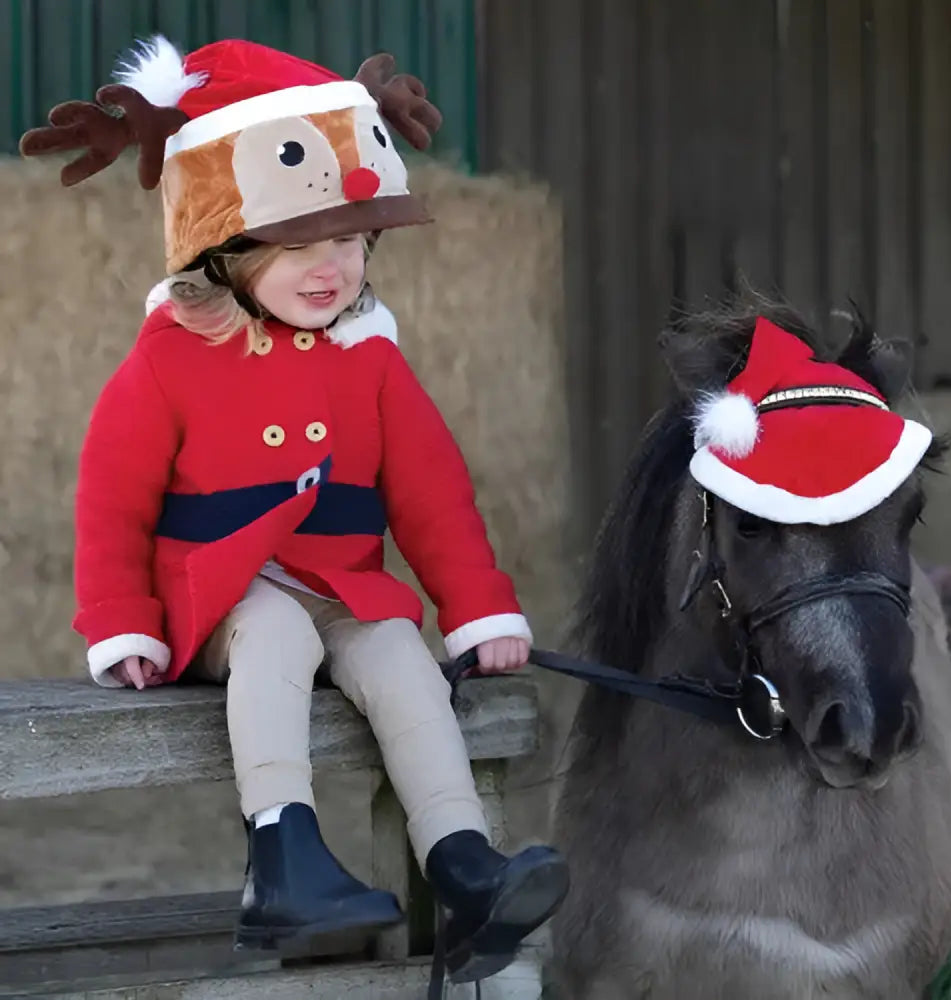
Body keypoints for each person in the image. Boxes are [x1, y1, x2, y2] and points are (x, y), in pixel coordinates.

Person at [20, 34, 568, 985]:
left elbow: (434, 497)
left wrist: (475, 608)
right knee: (274, 631)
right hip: (220, 594)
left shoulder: (374, 361)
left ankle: (463, 861)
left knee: (399, 654)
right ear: (222, 247)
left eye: (352, 240)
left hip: (342, 584)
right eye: (300, 243)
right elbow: (110, 500)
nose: (333, 266)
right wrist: (121, 625)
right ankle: (283, 855)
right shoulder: (169, 359)